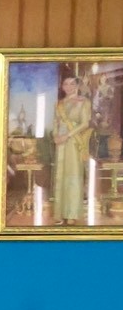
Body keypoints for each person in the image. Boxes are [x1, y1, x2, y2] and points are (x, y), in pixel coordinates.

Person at [51, 74, 94, 225]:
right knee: (60, 176)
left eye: (71, 84)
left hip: (74, 141)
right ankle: (59, 212)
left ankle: (72, 213)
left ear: (77, 86)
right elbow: (55, 122)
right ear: (62, 87)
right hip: (60, 142)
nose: (68, 87)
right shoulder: (59, 104)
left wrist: (67, 136)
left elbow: (85, 123)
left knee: (73, 175)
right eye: (65, 84)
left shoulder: (84, 102)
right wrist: (56, 136)